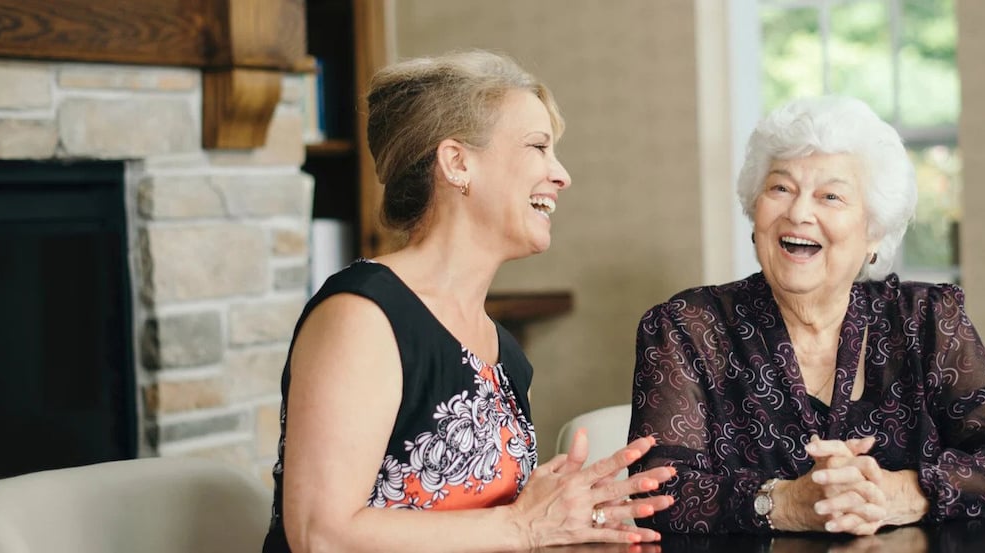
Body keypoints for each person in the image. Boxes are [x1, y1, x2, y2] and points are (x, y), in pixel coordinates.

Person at [263, 50, 676, 552]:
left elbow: (487, 528)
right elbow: (319, 535)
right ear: (457, 163)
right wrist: (525, 527)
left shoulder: (504, 352)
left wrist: (571, 525)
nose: (561, 174)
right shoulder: (364, 316)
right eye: (538, 147)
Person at [628, 96, 985, 536]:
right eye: (781, 188)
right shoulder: (687, 328)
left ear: (874, 233)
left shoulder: (926, 320)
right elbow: (654, 495)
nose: (799, 212)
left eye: (830, 196)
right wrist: (784, 502)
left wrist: (901, 492)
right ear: (755, 212)